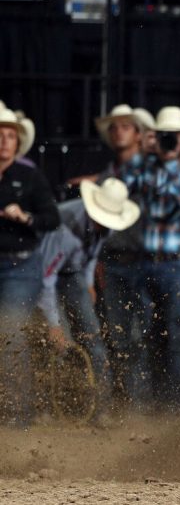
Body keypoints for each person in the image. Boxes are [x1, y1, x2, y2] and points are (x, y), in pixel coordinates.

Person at [118, 105, 180, 411]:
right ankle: (141, 407)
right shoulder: (144, 166)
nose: (169, 141)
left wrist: (168, 163)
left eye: (173, 137)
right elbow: (121, 186)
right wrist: (148, 152)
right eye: (164, 136)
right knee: (141, 335)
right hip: (148, 262)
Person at [36, 178, 140, 427]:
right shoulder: (63, 227)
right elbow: (46, 277)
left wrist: (89, 282)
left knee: (93, 339)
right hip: (42, 273)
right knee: (56, 342)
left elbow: (93, 252)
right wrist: (53, 324)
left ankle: (98, 410)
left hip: (73, 274)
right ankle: (49, 408)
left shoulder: (106, 226)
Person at [86, 105, 155, 409]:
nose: (118, 132)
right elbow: (95, 230)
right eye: (114, 127)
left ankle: (140, 402)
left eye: (125, 126)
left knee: (140, 336)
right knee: (121, 336)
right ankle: (130, 402)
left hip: (144, 260)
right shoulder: (107, 175)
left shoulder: (151, 170)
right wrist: (96, 263)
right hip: (113, 262)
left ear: (138, 134)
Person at [0, 106, 59, 427]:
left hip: (20, 267)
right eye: (0, 135)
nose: (4, 141)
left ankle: (17, 415)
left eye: (10, 135)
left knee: (10, 334)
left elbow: (52, 219)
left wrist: (26, 217)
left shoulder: (29, 176)